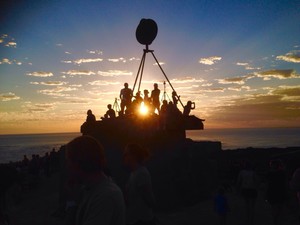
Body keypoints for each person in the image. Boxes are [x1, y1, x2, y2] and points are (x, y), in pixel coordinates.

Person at [65, 135, 126, 225]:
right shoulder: (90, 189)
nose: (68, 166)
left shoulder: (105, 197)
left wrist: (71, 204)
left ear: (79, 163)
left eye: (69, 161)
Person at [123, 143, 156, 225]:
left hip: (142, 220)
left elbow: (149, 198)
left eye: (126, 154)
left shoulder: (141, 173)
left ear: (133, 156)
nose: (124, 157)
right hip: (135, 219)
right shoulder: (134, 173)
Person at [265, 159, 287, 225]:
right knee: (280, 211)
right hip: (281, 193)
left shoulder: (269, 174)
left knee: (275, 211)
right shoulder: (282, 173)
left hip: (273, 193)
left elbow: (267, 185)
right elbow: (285, 184)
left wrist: (265, 194)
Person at [236, 161, 258, 225]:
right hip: (252, 189)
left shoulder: (242, 172)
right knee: (252, 207)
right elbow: (257, 181)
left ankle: (248, 220)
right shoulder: (253, 173)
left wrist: (237, 190)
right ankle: (251, 220)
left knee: (247, 205)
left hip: (245, 189)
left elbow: (238, 182)